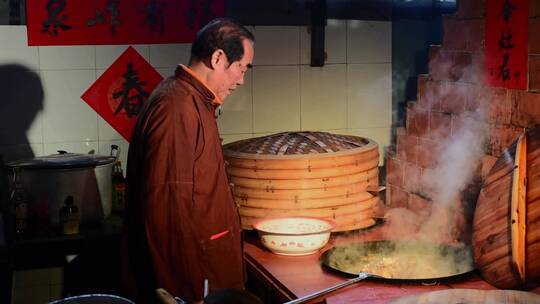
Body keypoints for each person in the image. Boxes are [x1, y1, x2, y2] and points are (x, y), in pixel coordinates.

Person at [124, 18, 255, 303]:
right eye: (241, 68)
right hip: (194, 285)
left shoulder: (194, 101)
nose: (242, 79)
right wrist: (183, 294)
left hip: (207, 276)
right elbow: (168, 212)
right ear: (218, 57)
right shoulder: (177, 109)